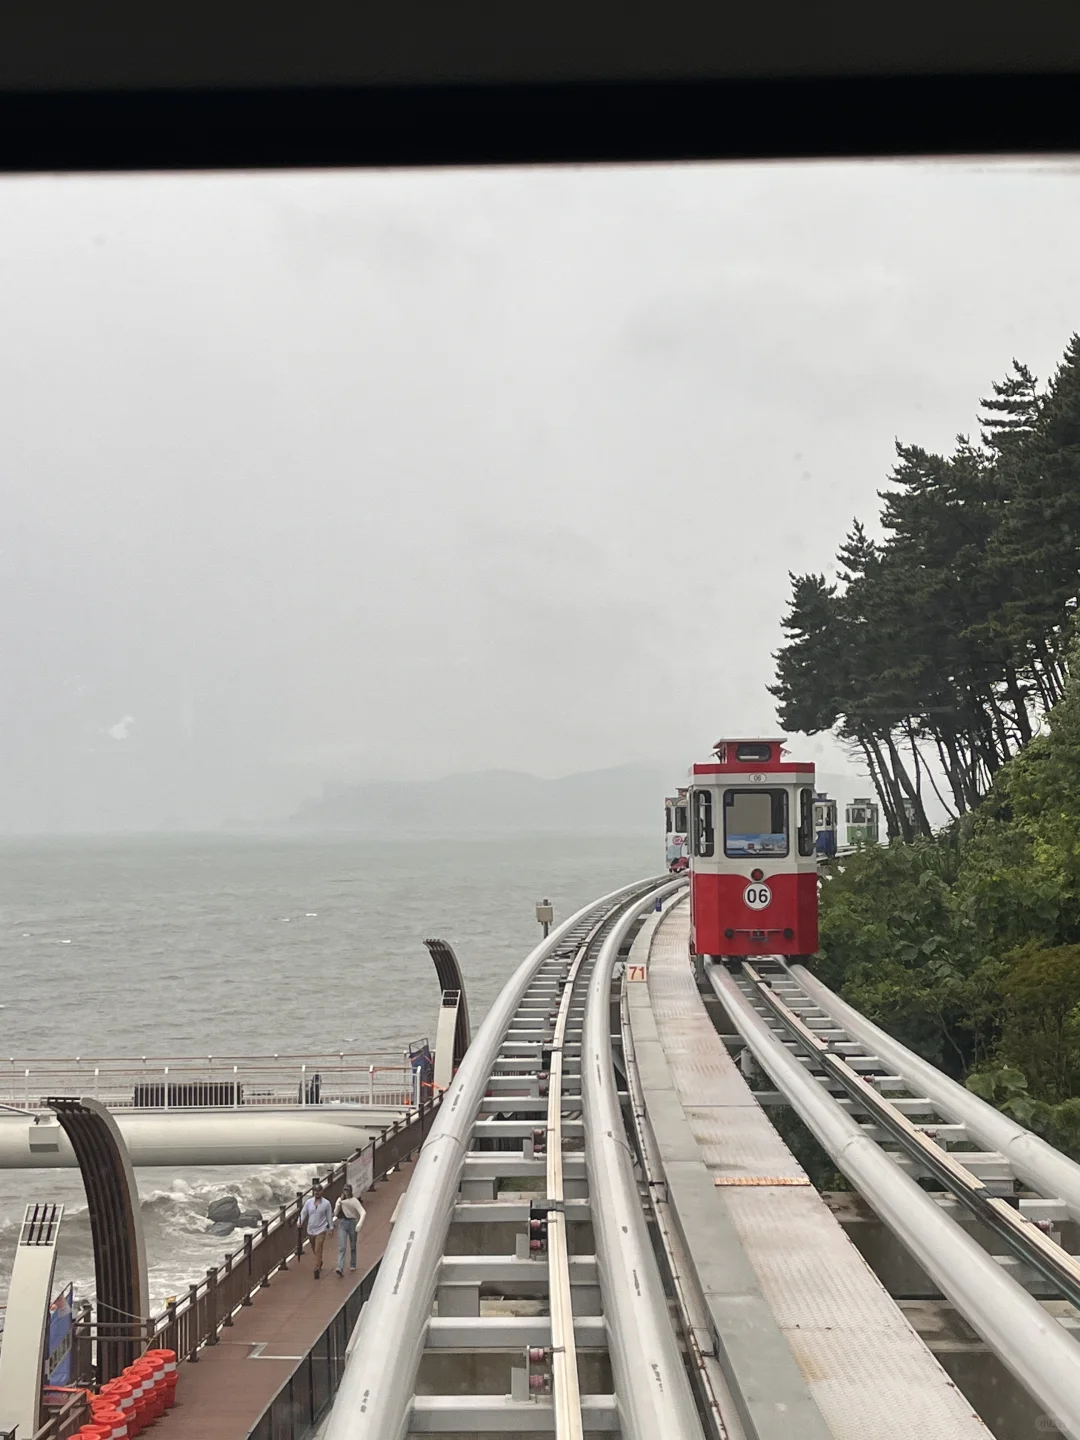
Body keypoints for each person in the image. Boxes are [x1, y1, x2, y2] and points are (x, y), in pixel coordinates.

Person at [298, 1181, 334, 1279]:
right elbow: (303, 1212)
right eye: (315, 1191)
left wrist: (331, 1228)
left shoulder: (326, 1203)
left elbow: (329, 1216)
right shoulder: (309, 1202)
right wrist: (299, 1221)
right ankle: (319, 1261)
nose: (317, 1193)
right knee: (314, 1249)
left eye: (318, 1191)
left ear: (322, 1191)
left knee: (318, 1248)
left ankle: (316, 1268)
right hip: (311, 1230)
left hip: (321, 1229)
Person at [334, 1183, 367, 1276]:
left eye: (347, 1190)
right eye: (344, 1190)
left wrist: (360, 1223)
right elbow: (335, 1213)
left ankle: (353, 1263)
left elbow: (363, 1212)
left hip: (352, 1222)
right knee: (342, 1246)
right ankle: (340, 1267)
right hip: (342, 1223)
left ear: (350, 1191)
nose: (346, 1192)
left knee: (353, 1245)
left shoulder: (354, 1201)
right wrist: (338, 1205)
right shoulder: (340, 1200)